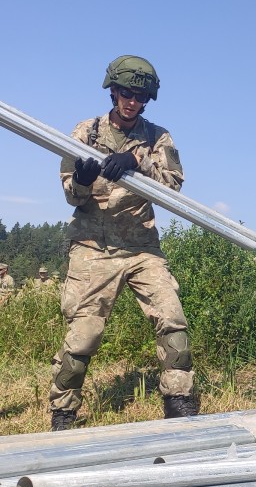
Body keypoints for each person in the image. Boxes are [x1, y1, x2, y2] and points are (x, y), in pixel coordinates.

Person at [48, 55, 197, 431]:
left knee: (172, 321)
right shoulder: (87, 132)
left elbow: (173, 188)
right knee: (84, 334)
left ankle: (179, 403)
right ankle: (63, 413)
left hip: (142, 246)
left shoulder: (157, 137)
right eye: (127, 94)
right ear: (113, 92)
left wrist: (137, 163)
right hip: (93, 247)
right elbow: (71, 194)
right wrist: (83, 177)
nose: (132, 101)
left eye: (140, 96)